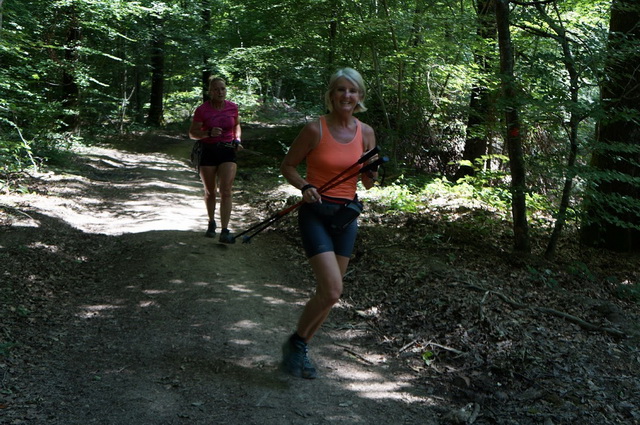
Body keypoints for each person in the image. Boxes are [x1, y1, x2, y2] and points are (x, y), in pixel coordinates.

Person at [279, 68, 378, 379]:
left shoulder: (367, 133)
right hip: (316, 211)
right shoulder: (314, 129)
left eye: (352, 91)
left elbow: (370, 182)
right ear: (331, 95)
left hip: (346, 216)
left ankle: (298, 345)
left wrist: (372, 171)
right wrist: (305, 186)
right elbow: (288, 165)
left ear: (360, 96)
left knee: (330, 292)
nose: (346, 96)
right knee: (333, 290)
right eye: (340, 90)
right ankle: (297, 344)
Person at [188, 76, 242, 243]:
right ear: (210, 92)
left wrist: (238, 140)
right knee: (210, 191)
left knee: (225, 191)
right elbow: (192, 133)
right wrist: (208, 133)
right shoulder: (202, 110)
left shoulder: (233, 107)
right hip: (208, 151)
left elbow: (236, 125)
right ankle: (212, 222)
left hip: (227, 151)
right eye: (216, 89)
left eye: (223, 89)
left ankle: (225, 230)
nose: (220, 92)